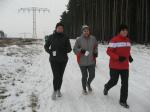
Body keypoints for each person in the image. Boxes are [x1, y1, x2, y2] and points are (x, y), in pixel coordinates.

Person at [104, 24, 133, 108]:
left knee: (125, 84)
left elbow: (127, 51)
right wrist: (118, 57)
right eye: (123, 30)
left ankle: (123, 101)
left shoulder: (128, 40)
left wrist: (129, 57)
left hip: (125, 66)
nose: (125, 32)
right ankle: (106, 87)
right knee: (114, 81)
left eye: (126, 30)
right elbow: (109, 51)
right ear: (119, 31)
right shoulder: (114, 40)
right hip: (114, 66)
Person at [44, 23, 72, 100]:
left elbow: (69, 49)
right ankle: (54, 90)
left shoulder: (66, 37)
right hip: (54, 60)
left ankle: (59, 89)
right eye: (58, 28)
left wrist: (63, 50)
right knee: (56, 76)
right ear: (56, 29)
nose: (60, 29)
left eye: (61, 28)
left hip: (63, 60)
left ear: (63, 29)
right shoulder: (51, 37)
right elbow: (46, 46)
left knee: (60, 76)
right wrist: (50, 52)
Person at [73, 25, 98, 95]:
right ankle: (84, 89)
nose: (86, 32)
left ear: (89, 31)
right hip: (82, 61)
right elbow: (74, 50)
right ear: (82, 32)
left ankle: (88, 83)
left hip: (91, 61)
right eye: (84, 31)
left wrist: (95, 53)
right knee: (84, 76)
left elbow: (96, 46)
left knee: (92, 75)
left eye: (87, 30)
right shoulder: (79, 40)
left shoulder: (93, 38)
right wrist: (81, 51)